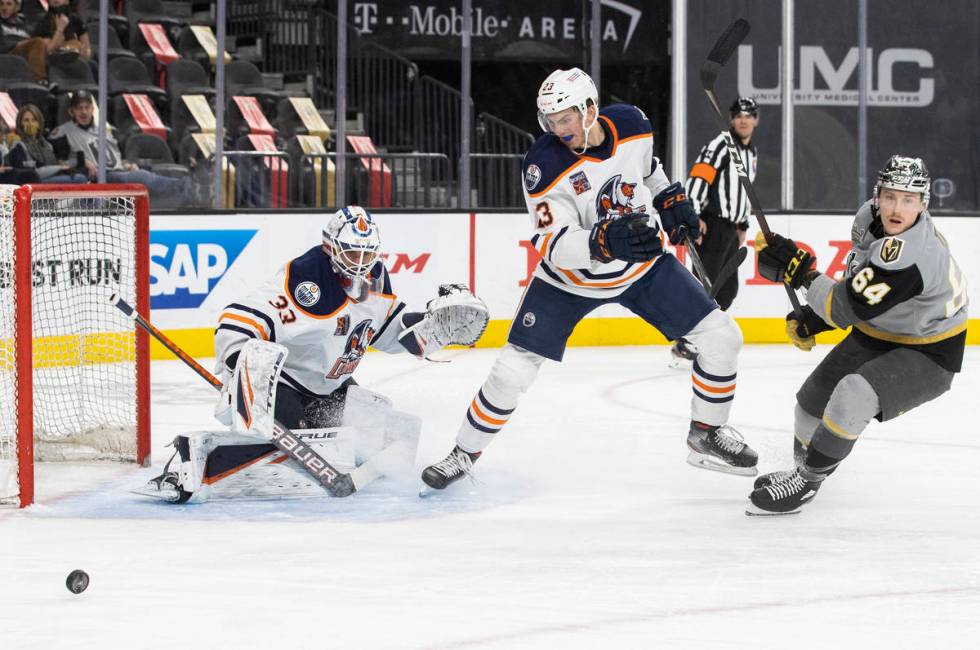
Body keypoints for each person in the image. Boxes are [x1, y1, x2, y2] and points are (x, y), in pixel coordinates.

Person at [420, 68, 758, 492]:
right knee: (511, 371)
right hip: (568, 280)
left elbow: (648, 169)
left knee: (723, 338)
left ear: (590, 109)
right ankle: (462, 454)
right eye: (551, 121)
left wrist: (669, 197)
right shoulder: (542, 166)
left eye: (566, 118)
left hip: (640, 265)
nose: (558, 129)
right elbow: (552, 243)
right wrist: (603, 240)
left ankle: (706, 432)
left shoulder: (633, 123)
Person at [141, 206, 489, 502]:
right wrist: (240, 363)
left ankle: (295, 439)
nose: (361, 262)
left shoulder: (375, 279)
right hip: (284, 386)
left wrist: (430, 329)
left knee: (377, 432)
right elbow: (239, 319)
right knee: (289, 442)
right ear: (330, 248)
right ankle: (190, 462)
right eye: (353, 254)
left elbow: (386, 331)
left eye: (368, 254)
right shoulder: (306, 281)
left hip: (328, 387)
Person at [748, 156, 968, 515]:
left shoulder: (910, 255)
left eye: (909, 199)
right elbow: (860, 292)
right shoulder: (868, 218)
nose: (897, 208)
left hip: (930, 349)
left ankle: (806, 482)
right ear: (877, 195)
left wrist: (802, 273)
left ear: (924, 205)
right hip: (883, 327)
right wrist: (817, 319)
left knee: (853, 394)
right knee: (809, 405)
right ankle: (802, 470)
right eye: (891, 196)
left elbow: (845, 307)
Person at [671, 97, 759, 366]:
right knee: (704, 287)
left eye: (749, 115)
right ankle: (684, 343)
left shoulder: (751, 152)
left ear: (756, 120)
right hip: (712, 224)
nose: (743, 119)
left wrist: (743, 223)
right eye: (739, 115)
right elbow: (699, 176)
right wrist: (694, 215)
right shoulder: (721, 145)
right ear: (732, 119)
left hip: (731, 229)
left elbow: (745, 189)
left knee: (727, 291)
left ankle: (699, 338)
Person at [50, 90, 201, 206]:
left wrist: (126, 163)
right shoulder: (62, 132)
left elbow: (113, 156)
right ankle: (190, 189)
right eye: (79, 108)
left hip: (116, 171)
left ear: (92, 109)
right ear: (71, 111)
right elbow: (58, 162)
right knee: (141, 177)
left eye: (86, 107)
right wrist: (82, 162)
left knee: (149, 171)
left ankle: (189, 190)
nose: (83, 112)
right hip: (99, 178)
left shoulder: (103, 131)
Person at [5, 103, 88, 183]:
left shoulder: (47, 145)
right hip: (33, 182)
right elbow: (31, 173)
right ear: (20, 123)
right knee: (80, 179)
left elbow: (53, 164)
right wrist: (59, 168)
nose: (30, 124)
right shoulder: (18, 145)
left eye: (34, 120)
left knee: (81, 174)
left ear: (39, 123)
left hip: (49, 178)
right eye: (26, 120)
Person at [10, 0, 89, 82]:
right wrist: (60, 29)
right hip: (49, 59)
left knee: (75, 44)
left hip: (72, 61)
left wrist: (84, 51)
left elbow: (87, 49)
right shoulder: (43, 21)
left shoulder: (76, 20)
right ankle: (42, 80)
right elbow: (46, 50)